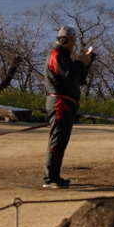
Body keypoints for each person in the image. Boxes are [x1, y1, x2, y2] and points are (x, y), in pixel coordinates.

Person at [43, 25, 93, 189]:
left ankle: (54, 176)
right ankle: (50, 178)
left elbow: (75, 78)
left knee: (60, 142)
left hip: (65, 104)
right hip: (60, 104)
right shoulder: (56, 55)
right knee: (57, 141)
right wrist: (80, 62)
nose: (74, 44)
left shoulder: (62, 56)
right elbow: (68, 74)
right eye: (72, 41)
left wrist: (85, 64)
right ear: (65, 40)